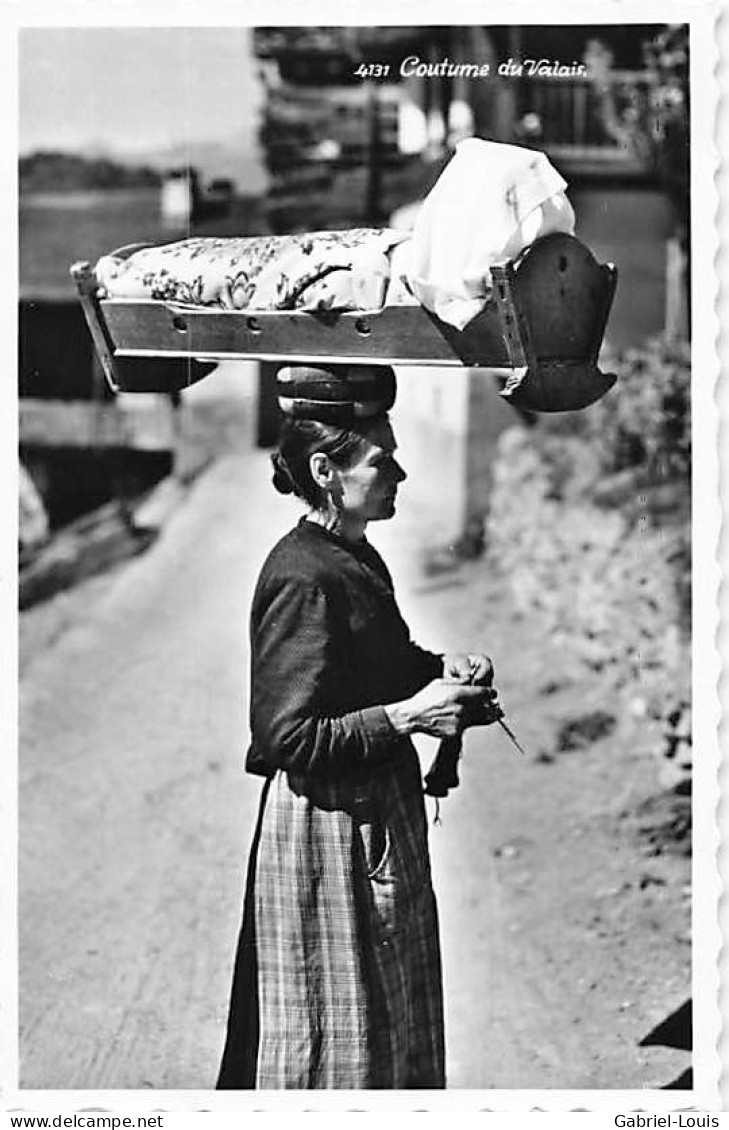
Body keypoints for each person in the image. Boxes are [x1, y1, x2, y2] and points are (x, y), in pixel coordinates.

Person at [216, 363, 501, 1090]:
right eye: (382, 458)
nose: (400, 470)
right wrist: (411, 715)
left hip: (375, 812)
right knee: (332, 1041)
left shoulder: (352, 555)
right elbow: (290, 736)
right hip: (328, 829)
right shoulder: (301, 575)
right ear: (326, 471)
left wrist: (441, 671)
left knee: (388, 1023)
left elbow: (382, 658)